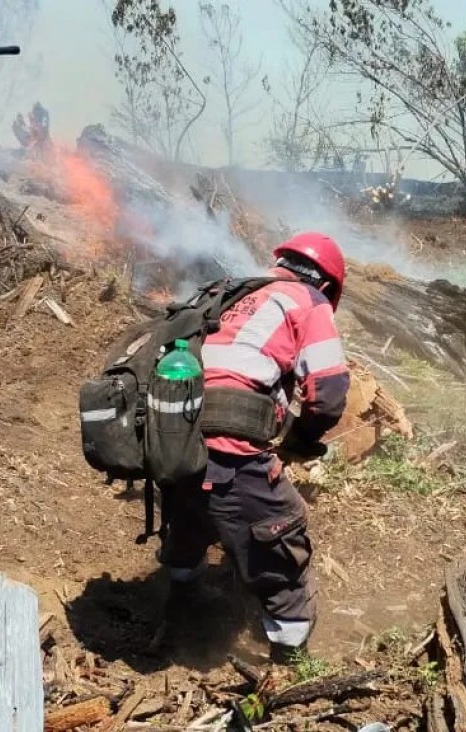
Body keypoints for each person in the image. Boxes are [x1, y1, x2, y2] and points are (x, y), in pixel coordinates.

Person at [161, 232, 350, 662]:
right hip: (229, 442)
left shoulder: (231, 290)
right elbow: (330, 390)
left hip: (172, 434)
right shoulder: (309, 300)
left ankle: (180, 607)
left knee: (189, 516)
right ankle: (289, 659)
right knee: (280, 538)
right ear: (327, 285)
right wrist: (302, 439)